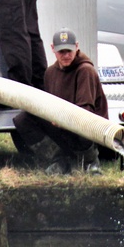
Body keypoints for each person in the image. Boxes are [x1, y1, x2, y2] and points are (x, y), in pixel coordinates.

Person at [14, 28, 109, 175]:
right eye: (61, 52)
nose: (65, 55)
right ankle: (58, 160)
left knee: (84, 119)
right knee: (23, 119)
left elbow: (85, 111)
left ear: (77, 47)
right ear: (53, 49)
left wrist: (63, 119)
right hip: (61, 126)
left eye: (69, 51)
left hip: (87, 128)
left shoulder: (85, 71)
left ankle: (90, 162)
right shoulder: (50, 73)